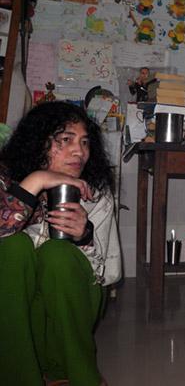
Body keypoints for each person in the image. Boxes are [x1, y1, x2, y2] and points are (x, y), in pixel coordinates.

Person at [0, 101, 121, 385]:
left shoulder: (95, 192)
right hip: (14, 307)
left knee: (57, 254)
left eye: (84, 142)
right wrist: (37, 181)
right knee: (14, 249)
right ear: (38, 142)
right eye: (65, 140)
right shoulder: (5, 179)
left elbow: (110, 274)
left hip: (74, 302)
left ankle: (78, 374)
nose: (79, 152)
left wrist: (85, 237)